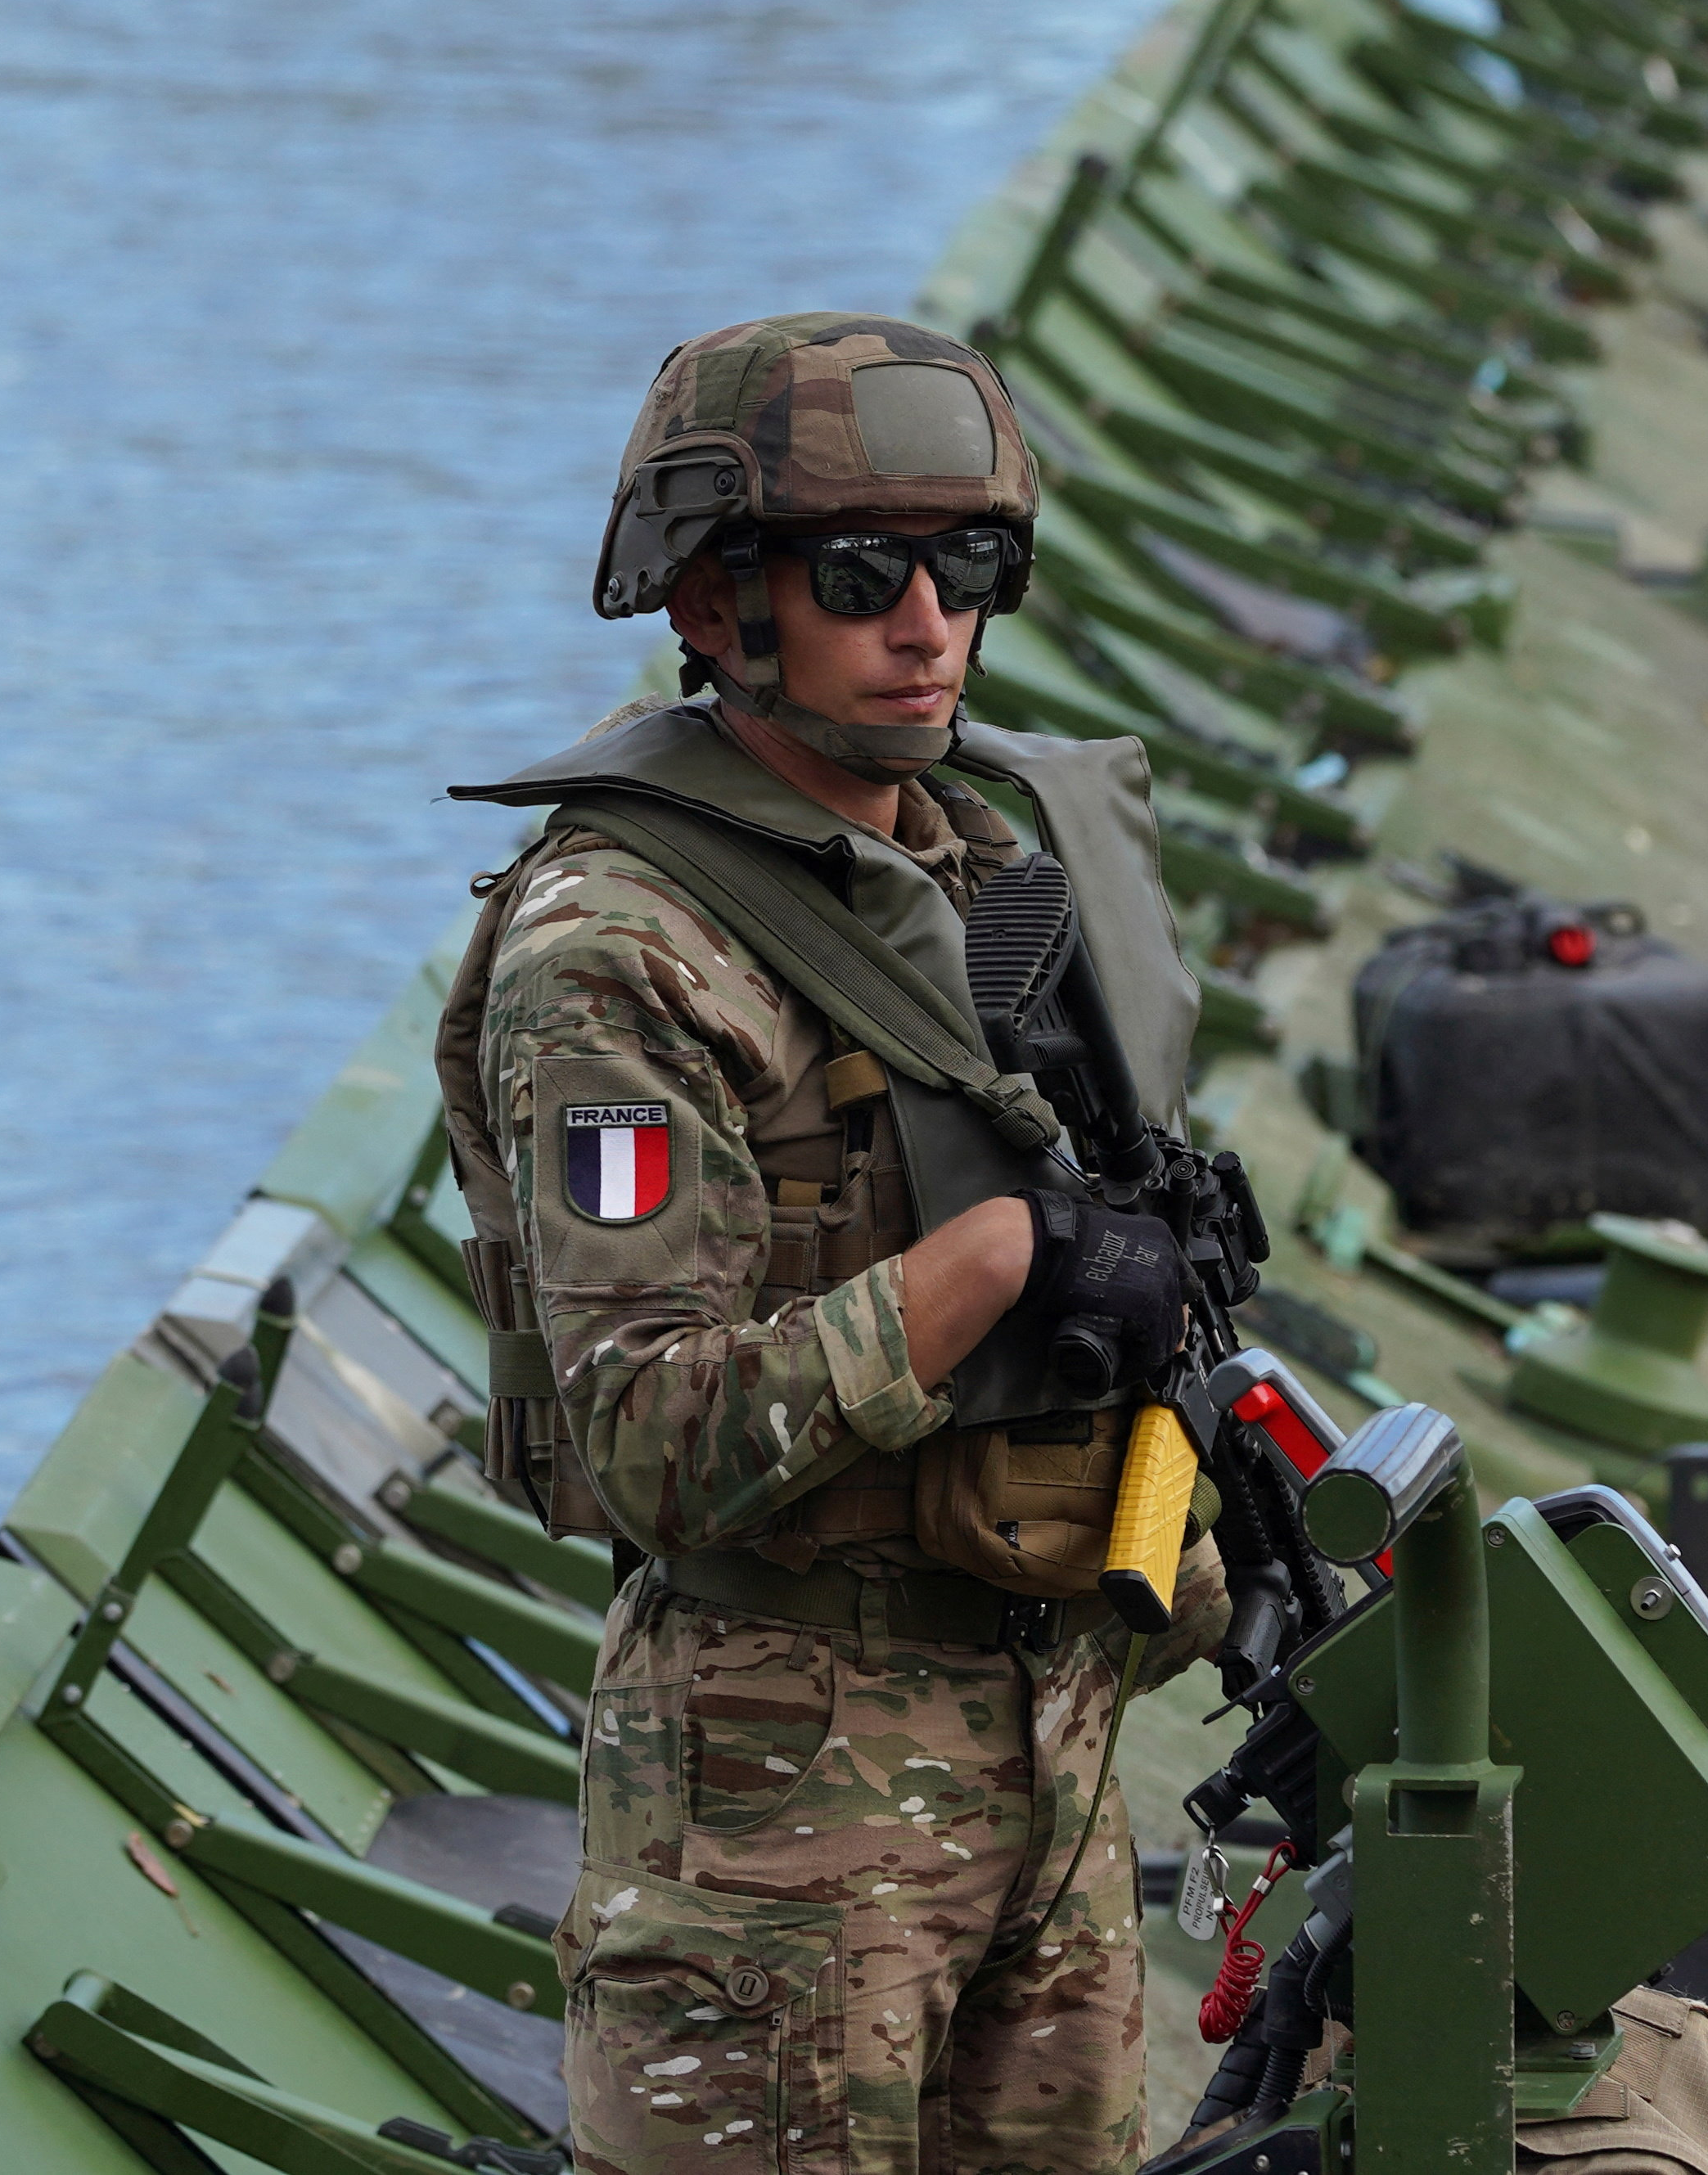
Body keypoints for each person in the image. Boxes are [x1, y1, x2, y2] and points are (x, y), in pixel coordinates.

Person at [430, 311, 1228, 2167]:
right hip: (777, 1831)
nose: (928, 621)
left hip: (1044, 1767)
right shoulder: (617, 957)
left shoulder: (978, 886)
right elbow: (649, 1435)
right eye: (863, 572)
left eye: (973, 568)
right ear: (713, 607)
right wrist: (986, 1271)